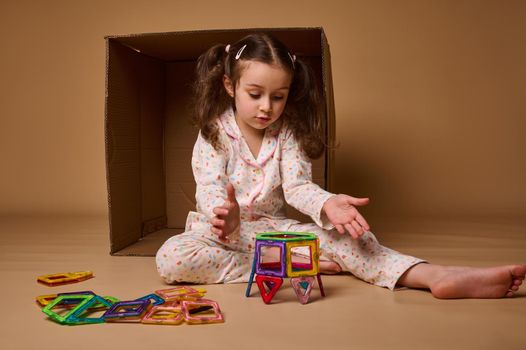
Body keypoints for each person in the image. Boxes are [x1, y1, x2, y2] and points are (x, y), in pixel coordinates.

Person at [156, 33, 525, 299]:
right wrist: (224, 215)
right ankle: (287, 271)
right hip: (220, 233)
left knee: (352, 238)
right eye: (255, 94)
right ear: (229, 85)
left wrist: (327, 204)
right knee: (172, 258)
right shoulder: (213, 133)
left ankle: (431, 275)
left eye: (278, 96)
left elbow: (298, 187)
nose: (266, 107)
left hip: (273, 232)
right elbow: (209, 186)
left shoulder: (287, 134)